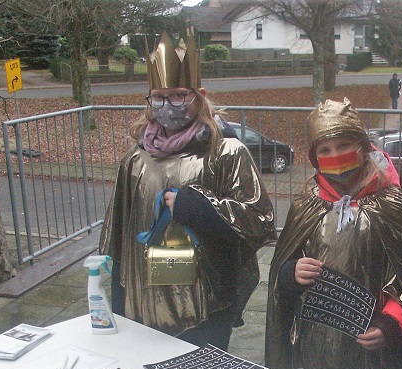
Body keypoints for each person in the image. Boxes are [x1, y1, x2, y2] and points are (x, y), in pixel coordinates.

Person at [99, 29, 276, 350]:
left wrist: (202, 210)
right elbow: (117, 235)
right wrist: (115, 293)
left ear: (200, 95)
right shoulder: (135, 159)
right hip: (142, 298)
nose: (167, 105)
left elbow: (260, 220)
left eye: (179, 95)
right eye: (159, 97)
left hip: (205, 299)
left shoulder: (227, 153)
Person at [265, 98, 402, 369]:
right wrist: (291, 273)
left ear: (364, 147)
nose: (335, 156)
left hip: (367, 346)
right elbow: (283, 267)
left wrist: (392, 323)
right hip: (316, 341)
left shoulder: (394, 205)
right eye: (324, 150)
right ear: (315, 156)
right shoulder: (308, 204)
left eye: (344, 145)